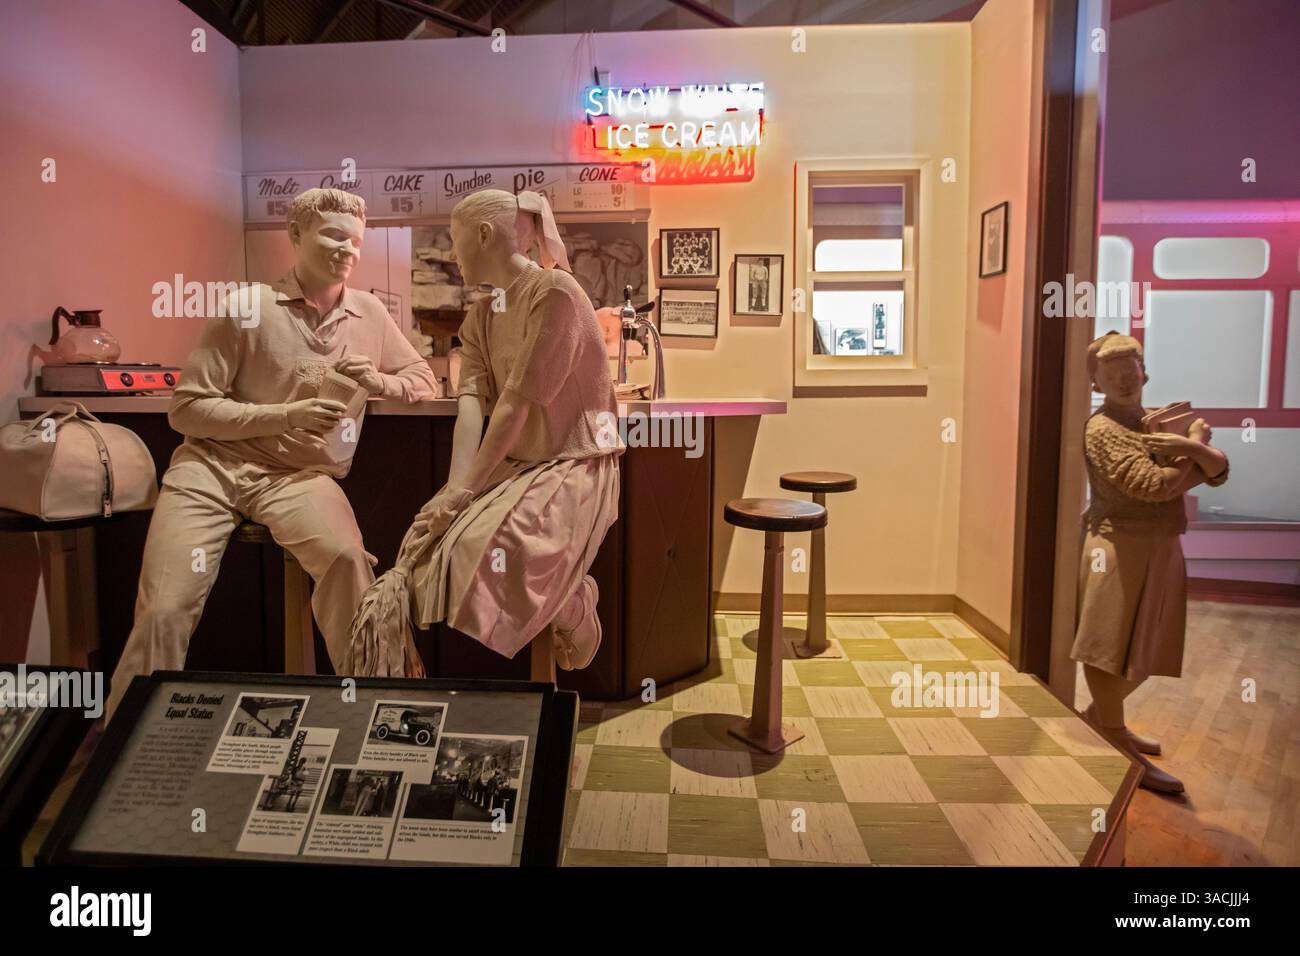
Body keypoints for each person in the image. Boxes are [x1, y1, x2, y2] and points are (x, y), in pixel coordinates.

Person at [106, 189, 436, 721]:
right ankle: (123, 735)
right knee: (165, 608)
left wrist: (381, 382)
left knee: (348, 562)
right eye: (332, 234)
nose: (346, 248)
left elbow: (423, 376)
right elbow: (186, 409)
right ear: (296, 235)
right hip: (210, 469)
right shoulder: (246, 308)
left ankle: (382, 717)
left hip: (299, 477)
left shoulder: (369, 312)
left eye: (354, 239)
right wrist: (285, 416)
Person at [405, 189, 622, 670]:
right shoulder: (481, 314)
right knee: (446, 549)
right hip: (517, 465)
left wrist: (463, 495)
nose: (454, 251)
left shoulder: (556, 293)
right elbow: (471, 408)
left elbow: (513, 407)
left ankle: (573, 606)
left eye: (456, 238)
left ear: (484, 235)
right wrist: (453, 490)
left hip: (574, 460)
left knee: (505, 549)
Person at [1072, 333, 1228, 794]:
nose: (1124, 377)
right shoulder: (1101, 429)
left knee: (1149, 642)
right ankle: (1113, 735)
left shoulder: (1155, 421)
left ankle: (1103, 718)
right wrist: (1199, 450)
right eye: (1112, 371)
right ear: (1096, 381)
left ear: (1145, 372)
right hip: (1118, 545)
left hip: (1162, 542)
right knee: (1107, 643)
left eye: (1131, 368)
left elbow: (1218, 474)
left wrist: (1197, 455)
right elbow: (1152, 485)